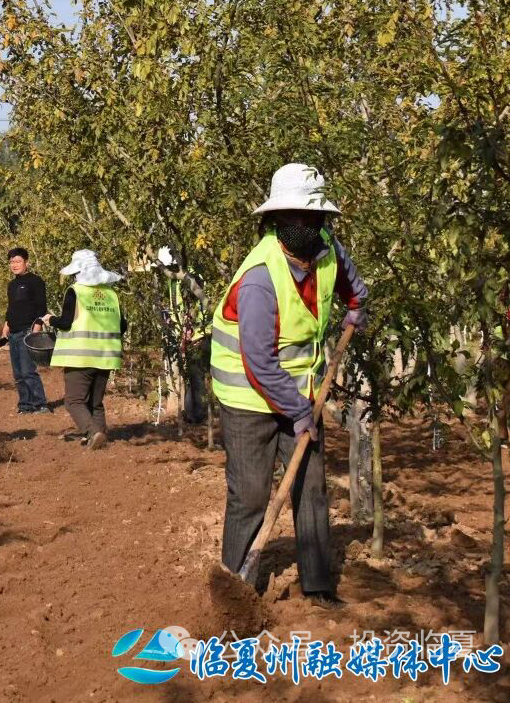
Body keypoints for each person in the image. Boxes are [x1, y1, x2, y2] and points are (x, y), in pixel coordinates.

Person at [209, 163, 367, 608]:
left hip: (301, 396)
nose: (308, 226)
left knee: (310, 485)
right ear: (277, 220)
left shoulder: (328, 250)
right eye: (297, 217)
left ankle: (317, 585)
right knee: (251, 494)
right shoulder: (260, 277)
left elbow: (355, 289)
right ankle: (235, 590)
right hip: (247, 399)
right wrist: (298, 412)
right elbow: (258, 361)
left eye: (315, 218)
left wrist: (356, 308)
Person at [43, 250, 127, 448]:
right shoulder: (111, 294)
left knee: (73, 401)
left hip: (80, 356)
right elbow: (122, 326)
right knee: (95, 402)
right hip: (106, 355)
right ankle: (100, 436)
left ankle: (93, 432)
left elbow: (65, 322)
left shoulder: (76, 291)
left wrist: (50, 319)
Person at [157, 246, 210, 425]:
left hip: (198, 334)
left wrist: (189, 328)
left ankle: (198, 415)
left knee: (196, 376)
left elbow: (196, 304)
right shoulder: (173, 279)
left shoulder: (189, 277)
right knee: (190, 376)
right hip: (184, 334)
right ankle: (191, 412)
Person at [0, 247, 49, 414]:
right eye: (12, 262)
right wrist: (6, 327)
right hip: (13, 332)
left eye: (18, 261)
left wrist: (36, 328)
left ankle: (41, 404)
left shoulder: (36, 281)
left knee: (28, 371)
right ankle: (25, 405)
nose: (15, 265)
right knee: (18, 373)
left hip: (28, 331)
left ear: (27, 262)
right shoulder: (12, 285)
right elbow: (11, 308)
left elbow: (41, 307)